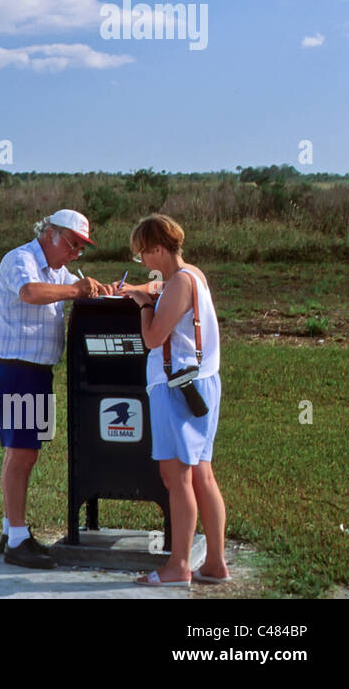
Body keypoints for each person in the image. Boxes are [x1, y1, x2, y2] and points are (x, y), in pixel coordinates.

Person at [0, 209, 111, 568]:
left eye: (80, 250)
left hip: (37, 371)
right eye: (73, 244)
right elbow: (30, 293)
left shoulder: (59, 271)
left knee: (26, 452)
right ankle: (17, 540)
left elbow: (78, 288)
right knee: (21, 452)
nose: (75, 254)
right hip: (16, 369)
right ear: (52, 235)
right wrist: (76, 289)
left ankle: (12, 529)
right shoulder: (20, 260)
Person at [120, 213, 229, 586]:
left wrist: (142, 304)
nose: (143, 262)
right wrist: (144, 289)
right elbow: (167, 294)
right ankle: (215, 562)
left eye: (143, 255)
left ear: (158, 249)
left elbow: (153, 337)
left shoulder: (178, 284)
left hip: (175, 388)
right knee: (202, 474)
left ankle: (178, 566)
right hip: (202, 385)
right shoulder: (192, 275)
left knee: (176, 476)